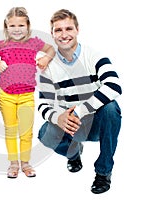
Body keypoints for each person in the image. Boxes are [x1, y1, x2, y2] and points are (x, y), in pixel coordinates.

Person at [37, 9, 122, 194]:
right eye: (58, 30)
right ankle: (74, 153)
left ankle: (103, 172)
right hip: (72, 126)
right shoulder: (48, 67)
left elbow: (114, 86)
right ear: (52, 34)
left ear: (77, 30)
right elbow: (43, 104)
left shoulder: (94, 56)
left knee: (111, 108)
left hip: (98, 122)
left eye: (68, 28)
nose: (64, 34)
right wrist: (58, 118)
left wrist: (80, 111)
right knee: (44, 133)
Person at [0, 7, 55, 178]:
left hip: (27, 96)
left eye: (21, 25)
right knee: (10, 130)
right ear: (6, 27)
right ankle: (13, 164)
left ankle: (25, 163)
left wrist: (46, 58)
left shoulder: (34, 43)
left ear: (28, 25)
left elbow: (51, 49)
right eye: (12, 25)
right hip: (6, 95)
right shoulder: (1, 45)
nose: (17, 29)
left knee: (26, 131)